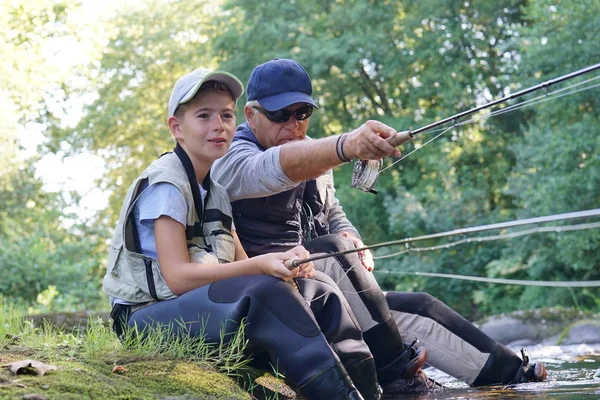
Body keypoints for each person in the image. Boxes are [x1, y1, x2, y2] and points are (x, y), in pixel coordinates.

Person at [211, 58, 547, 393]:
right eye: (280, 115)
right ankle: (399, 375)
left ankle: (516, 378)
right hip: (266, 297)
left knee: (419, 307)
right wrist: (347, 145)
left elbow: (332, 212)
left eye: (302, 114)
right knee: (332, 250)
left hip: (320, 290)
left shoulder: (312, 156)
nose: (293, 125)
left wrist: (352, 236)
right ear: (251, 115)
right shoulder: (228, 159)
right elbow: (271, 169)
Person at [101, 67, 390, 400]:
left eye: (225, 115)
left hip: (190, 310)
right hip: (143, 321)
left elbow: (243, 262)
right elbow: (178, 278)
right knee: (266, 293)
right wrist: (261, 266)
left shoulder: (216, 190)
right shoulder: (167, 185)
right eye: (204, 116)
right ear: (176, 128)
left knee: (318, 288)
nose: (218, 125)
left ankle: (369, 391)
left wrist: (286, 262)